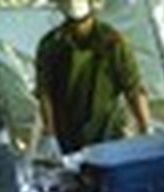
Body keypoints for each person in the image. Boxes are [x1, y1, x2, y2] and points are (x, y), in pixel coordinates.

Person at [34, 0, 151, 157]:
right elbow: (44, 93)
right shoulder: (52, 45)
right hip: (68, 139)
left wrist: (146, 128)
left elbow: (133, 90)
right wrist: (50, 134)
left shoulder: (113, 43)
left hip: (109, 137)